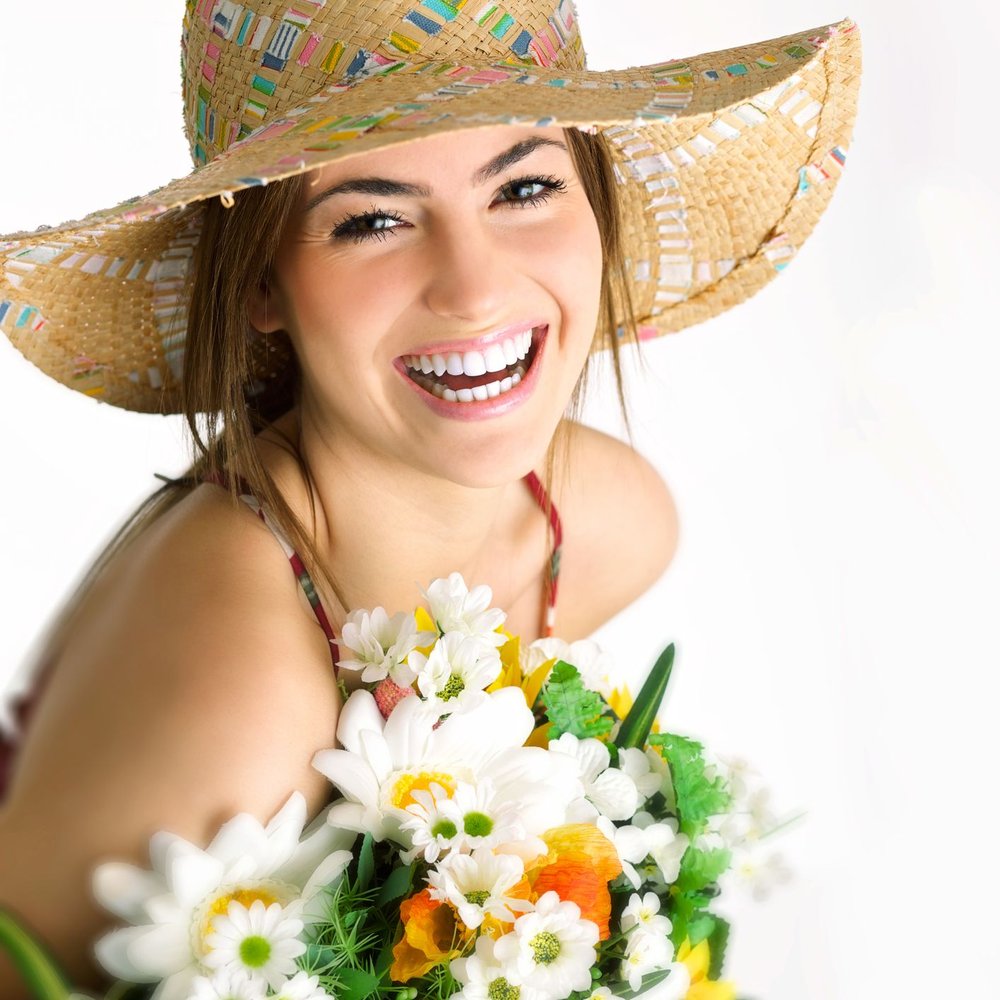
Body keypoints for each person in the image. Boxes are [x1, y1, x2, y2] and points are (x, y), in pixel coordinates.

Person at [0, 1, 860, 993]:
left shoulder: (606, 522)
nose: (474, 286)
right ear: (260, 290)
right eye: (373, 218)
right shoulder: (239, 684)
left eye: (524, 186)